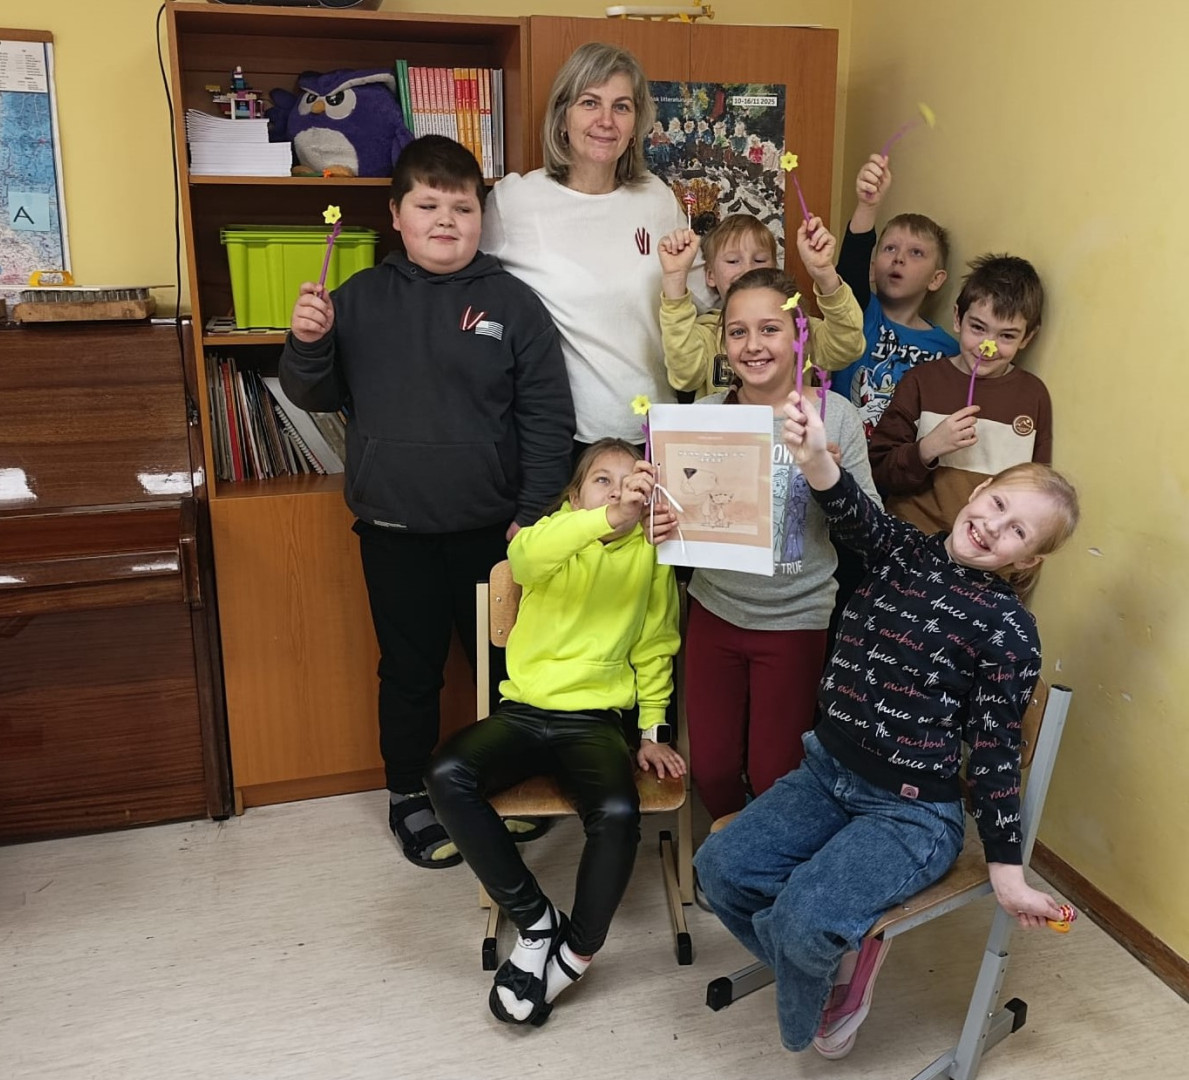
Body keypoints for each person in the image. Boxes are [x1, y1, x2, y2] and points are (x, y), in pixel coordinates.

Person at [693, 388, 1080, 1060]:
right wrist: (815, 455)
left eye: (1018, 531)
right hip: (825, 774)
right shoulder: (903, 551)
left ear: (1027, 561)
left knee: (804, 917)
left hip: (911, 813)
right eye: (996, 505)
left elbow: (994, 756)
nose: (994, 526)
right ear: (977, 491)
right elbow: (850, 510)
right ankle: (835, 953)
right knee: (720, 869)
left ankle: (825, 969)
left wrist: (1007, 870)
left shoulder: (1010, 631)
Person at [279, 135, 575, 870]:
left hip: (495, 532)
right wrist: (307, 342)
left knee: (505, 672)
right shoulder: (357, 298)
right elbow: (313, 393)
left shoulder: (513, 303)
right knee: (410, 674)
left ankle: (501, 785)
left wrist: (534, 511)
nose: (446, 220)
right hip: (393, 531)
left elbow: (546, 416)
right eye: (428, 205)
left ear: (481, 216)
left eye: (462, 207)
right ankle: (408, 792)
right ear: (396, 215)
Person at [425, 441, 682, 1027]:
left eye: (630, 481)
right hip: (523, 712)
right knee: (445, 773)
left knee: (618, 812)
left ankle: (579, 950)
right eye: (601, 480)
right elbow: (525, 559)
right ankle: (536, 919)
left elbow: (655, 644)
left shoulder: (651, 553)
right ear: (575, 494)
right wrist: (605, 519)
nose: (617, 491)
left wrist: (652, 729)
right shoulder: (552, 536)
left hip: (594, 721)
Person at [652, 267, 879, 822]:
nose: (752, 345)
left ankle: (759, 850)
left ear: (800, 334)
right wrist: (656, 521)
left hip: (796, 619)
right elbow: (675, 514)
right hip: (715, 611)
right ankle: (734, 847)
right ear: (723, 342)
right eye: (737, 332)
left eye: (769, 329)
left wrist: (829, 475)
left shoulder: (835, 417)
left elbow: (872, 532)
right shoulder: (703, 417)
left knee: (775, 769)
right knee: (712, 770)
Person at [481, 42, 714, 454]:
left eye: (621, 107)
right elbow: (469, 294)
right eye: (590, 103)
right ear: (562, 116)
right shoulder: (514, 201)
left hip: (653, 431)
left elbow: (700, 299)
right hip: (561, 441)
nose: (606, 121)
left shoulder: (655, 197)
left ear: (636, 124)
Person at [869, 253, 1052, 539]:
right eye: (977, 328)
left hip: (985, 549)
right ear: (957, 318)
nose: (988, 346)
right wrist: (928, 448)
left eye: (1007, 336)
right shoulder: (921, 381)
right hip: (911, 539)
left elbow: (1037, 494)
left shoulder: (1033, 395)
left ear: (1027, 337)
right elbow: (879, 470)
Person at [658, 213, 865, 400]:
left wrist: (825, 274)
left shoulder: (798, 325)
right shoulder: (706, 334)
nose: (748, 269)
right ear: (710, 275)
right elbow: (684, 376)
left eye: (759, 260)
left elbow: (846, 348)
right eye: (733, 261)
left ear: (774, 268)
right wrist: (675, 278)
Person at [831, 153, 959, 440]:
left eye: (916, 253)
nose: (899, 258)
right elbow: (850, 267)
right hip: (844, 452)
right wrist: (868, 206)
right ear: (872, 268)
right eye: (890, 248)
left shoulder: (948, 350)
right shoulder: (861, 312)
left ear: (936, 279)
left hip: (903, 460)